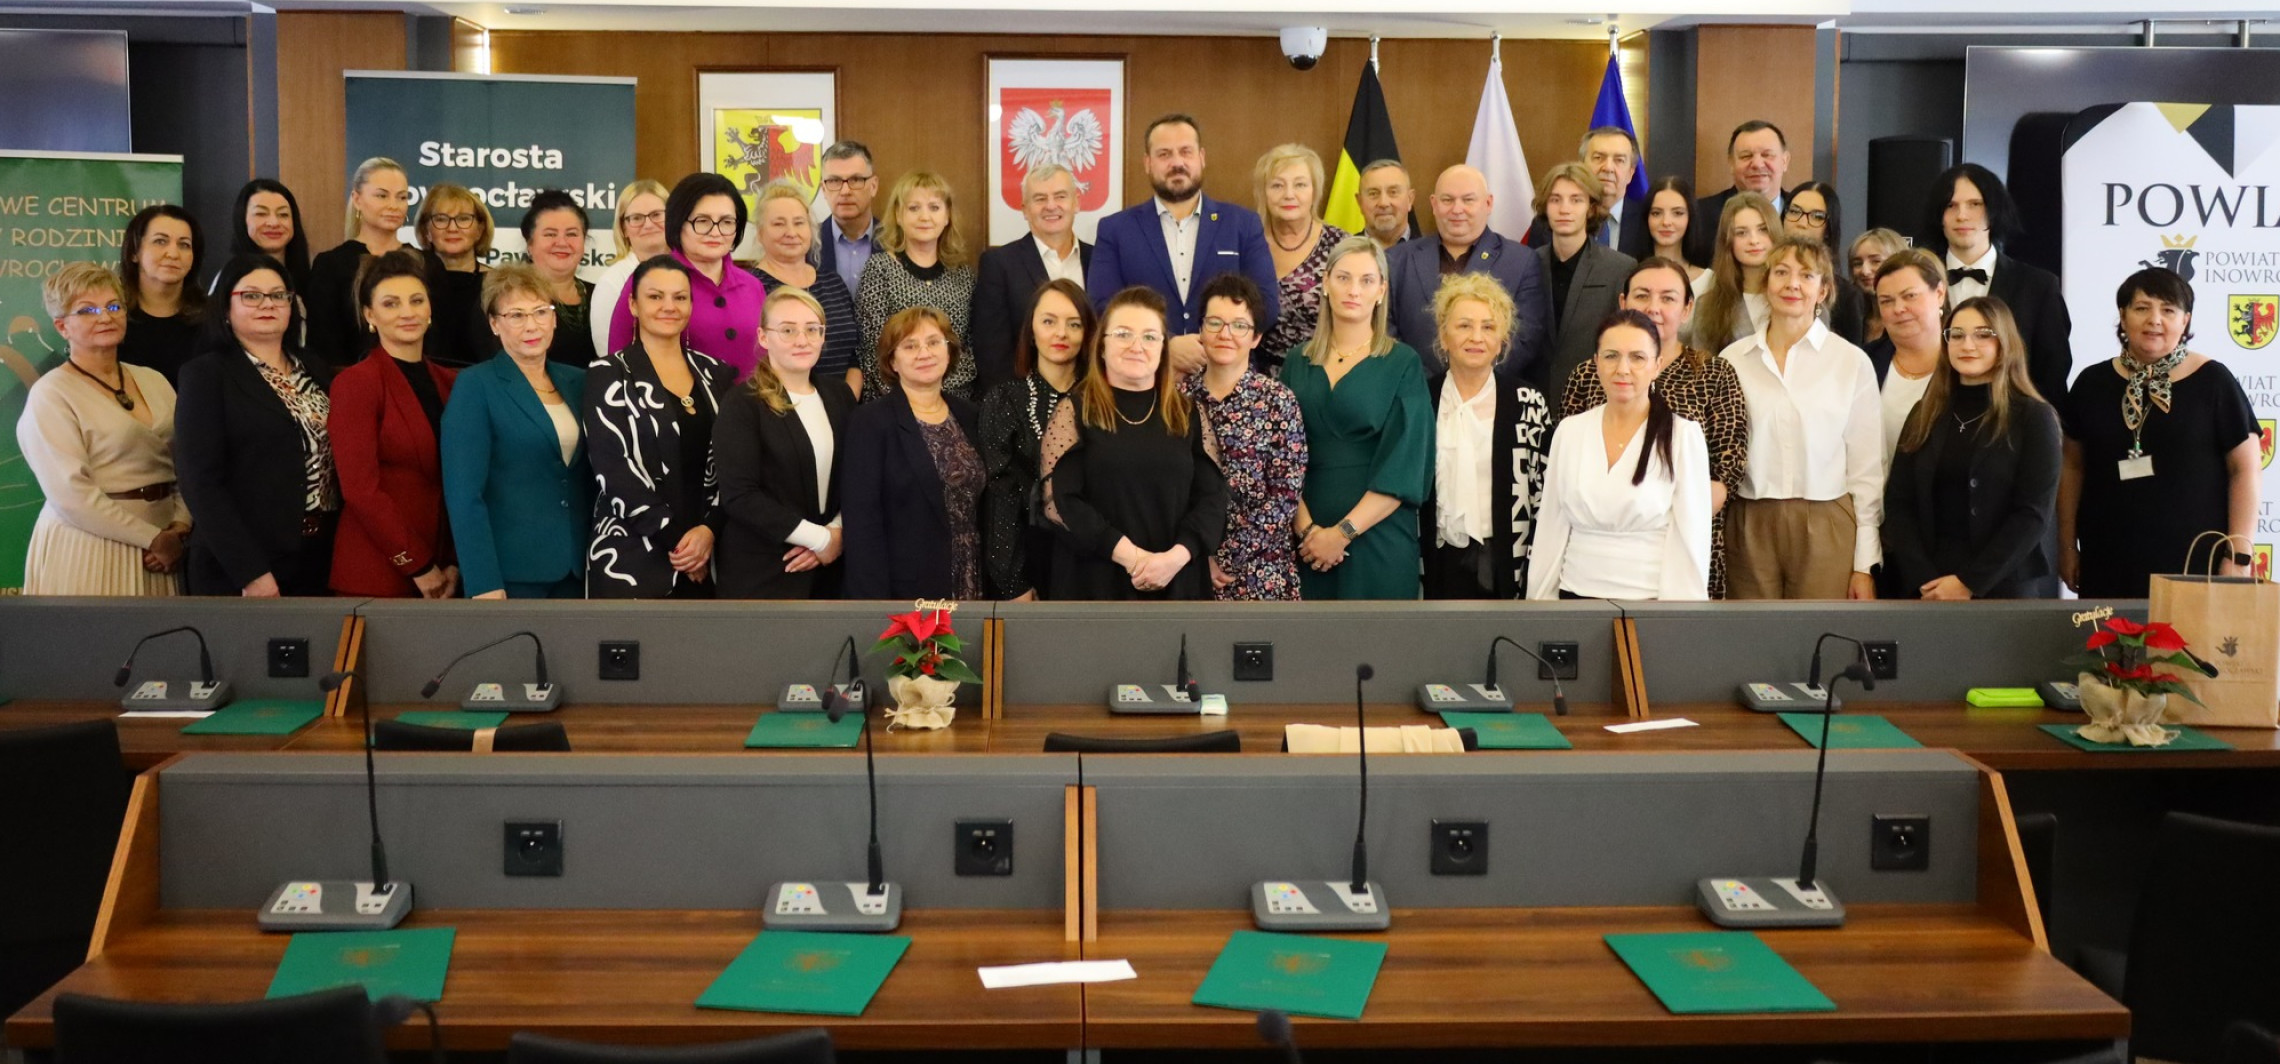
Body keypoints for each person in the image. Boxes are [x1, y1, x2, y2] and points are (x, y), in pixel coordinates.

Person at [2059, 266, 2259, 597]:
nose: (2154, 320)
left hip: (2195, 562)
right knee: (2110, 648)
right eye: (2141, 308)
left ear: (2185, 321)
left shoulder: (2214, 381)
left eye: (2168, 310)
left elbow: (2245, 469)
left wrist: (2238, 555)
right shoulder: (2091, 383)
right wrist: (2065, 546)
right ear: (2122, 318)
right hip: (2108, 559)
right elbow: (2072, 466)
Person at [1564, 258, 1750, 598]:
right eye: (1642, 295)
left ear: (1687, 308)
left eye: (1668, 298)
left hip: (1681, 547)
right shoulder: (1587, 375)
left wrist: (1644, 512)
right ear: (1623, 303)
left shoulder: (1714, 374)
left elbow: (1724, 474)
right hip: (1588, 562)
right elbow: (1571, 467)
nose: (1653, 307)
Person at [1720, 236, 1883, 600]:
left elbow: (1867, 469)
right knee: (1752, 640)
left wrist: (1864, 563)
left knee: (1819, 638)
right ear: (1765, 284)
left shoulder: (1850, 361)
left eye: (1807, 275)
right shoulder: (1732, 359)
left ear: (1823, 290)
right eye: (1781, 272)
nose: (1792, 284)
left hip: (1826, 520)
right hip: (1750, 521)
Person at [1040, 286, 1229, 600]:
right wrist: (1133, 559)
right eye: (1123, 334)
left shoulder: (1187, 414)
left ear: (1162, 350)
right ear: (1101, 346)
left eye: (1150, 337)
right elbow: (1061, 502)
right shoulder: (1075, 411)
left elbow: (1213, 499)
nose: (1136, 346)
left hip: (1178, 582)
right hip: (1096, 585)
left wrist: (1173, 559)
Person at [16, 262, 189, 595]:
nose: (105, 316)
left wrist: (179, 526)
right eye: (87, 310)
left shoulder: (154, 380)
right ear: (61, 327)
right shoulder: (51, 394)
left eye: (113, 306)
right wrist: (151, 538)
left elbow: (189, 463)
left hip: (164, 548)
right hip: (89, 546)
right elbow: (71, 495)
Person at [175, 253, 338, 596]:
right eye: (251, 295)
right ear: (225, 308)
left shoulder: (314, 367)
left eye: (279, 295)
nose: (268, 304)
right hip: (244, 565)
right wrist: (250, 572)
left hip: (319, 553)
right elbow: (200, 481)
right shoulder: (207, 374)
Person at [1284, 235, 1433, 600]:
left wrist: (1342, 533)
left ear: (1381, 290)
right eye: (1344, 277)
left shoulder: (1403, 363)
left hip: (1377, 540)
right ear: (1325, 283)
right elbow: (1279, 458)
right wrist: (1309, 533)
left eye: (1367, 280)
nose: (1354, 290)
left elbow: (1408, 464)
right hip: (1305, 542)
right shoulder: (1295, 361)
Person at [1882, 297, 2061, 600]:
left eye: (1983, 335)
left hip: (2003, 585)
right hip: (1928, 587)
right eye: (1957, 335)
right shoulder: (1925, 412)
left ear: (2004, 343)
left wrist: (1969, 583)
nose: (1967, 345)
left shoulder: (2033, 416)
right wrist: (1924, 579)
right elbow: (1899, 503)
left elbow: (2033, 513)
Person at [1530, 310, 1712, 600]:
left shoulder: (1683, 436)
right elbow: (1551, 526)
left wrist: (1679, 620)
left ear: (1657, 366)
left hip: (1650, 603)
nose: (1623, 369)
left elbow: (1692, 539)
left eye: (1637, 358)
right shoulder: (1569, 431)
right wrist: (1540, 605)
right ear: (1596, 362)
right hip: (1573, 596)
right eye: (1611, 356)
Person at [586, 254, 735, 599]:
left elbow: (734, 466)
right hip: (632, 559)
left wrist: (708, 533)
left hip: (709, 556)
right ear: (633, 305)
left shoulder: (717, 375)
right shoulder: (607, 374)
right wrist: (681, 544)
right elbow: (614, 470)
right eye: (655, 296)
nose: (669, 306)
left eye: (680, 297)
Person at [441, 263, 592, 599]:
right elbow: (464, 495)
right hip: (510, 574)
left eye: (541, 311)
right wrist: (484, 582)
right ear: (495, 324)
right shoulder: (475, 385)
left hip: (578, 568)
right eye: (516, 315)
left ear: (554, 318)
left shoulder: (579, 382)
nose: (531, 325)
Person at [1088, 113, 1279, 376]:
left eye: (1185, 152)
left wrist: (1211, 344)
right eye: (1164, 154)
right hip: (1145, 379)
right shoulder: (1115, 229)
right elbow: (1103, 307)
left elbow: (1266, 305)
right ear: (1147, 163)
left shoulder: (1242, 224)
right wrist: (1167, 345)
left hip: (1228, 381)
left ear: (1201, 157)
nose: (1177, 162)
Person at [326, 249, 458, 599]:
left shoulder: (453, 383)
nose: (407, 312)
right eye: (391, 303)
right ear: (370, 315)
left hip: (446, 572)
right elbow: (360, 490)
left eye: (417, 300)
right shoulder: (357, 383)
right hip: (377, 572)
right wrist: (418, 564)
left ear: (430, 309)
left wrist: (453, 563)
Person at [716, 286, 857, 599]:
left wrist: (836, 533)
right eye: (788, 330)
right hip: (765, 570)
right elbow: (740, 495)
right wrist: (819, 540)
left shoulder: (840, 396)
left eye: (812, 329)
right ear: (764, 337)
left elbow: (857, 476)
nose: (802, 340)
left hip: (831, 572)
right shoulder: (742, 402)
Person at [840, 306, 986, 599]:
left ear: (949, 351)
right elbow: (862, 524)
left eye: (933, 342)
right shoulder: (870, 422)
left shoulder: (972, 415)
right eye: (910, 346)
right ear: (892, 360)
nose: (924, 353)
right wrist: (874, 607)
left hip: (975, 575)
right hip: (907, 589)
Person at [1421, 272, 1548, 599]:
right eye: (1464, 325)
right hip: (1435, 561)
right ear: (1443, 335)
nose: (1476, 337)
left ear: (1502, 340)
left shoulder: (1528, 402)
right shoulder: (1421, 398)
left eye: (1488, 327)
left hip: (1507, 559)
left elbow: (1543, 497)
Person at [1183, 273, 1305, 601]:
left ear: (1255, 337)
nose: (1226, 334)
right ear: (1200, 330)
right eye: (1215, 323)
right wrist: (1195, 554)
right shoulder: (1176, 399)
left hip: (1261, 571)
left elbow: (1285, 496)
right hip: (1187, 566)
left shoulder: (1278, 400)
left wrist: (1227, 558)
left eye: (1239, 325)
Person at [979, 278, 1094, 601]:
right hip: (1030, 561)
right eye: (1049, 321)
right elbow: (1000, 497)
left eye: (1074, 324)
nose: (1061, 333)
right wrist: (1012, 581)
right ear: (1031, 330)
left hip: (1098, 561)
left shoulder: (1103, 401)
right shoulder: (1005, 400)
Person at [1920, 163, 2074, 403]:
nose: (1962, 215)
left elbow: (2053, 374)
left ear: (1994, 210)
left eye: (1975, 204)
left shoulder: (2038, 286)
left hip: (2015, 427)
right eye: (1951, 206)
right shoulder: (1918, 281)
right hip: (1934, 422)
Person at [1386, 164, 1551, 377]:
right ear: (1434, 204)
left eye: (1468, 200)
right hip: (1414, 393)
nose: (1457, 209)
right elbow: (1385, 330)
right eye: (1447, 200)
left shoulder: (1522, 261)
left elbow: (1525, 337)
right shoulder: (1397, 260)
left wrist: (1472, 377)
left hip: (1491, 395)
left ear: (1488, 203)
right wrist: (1422, 382)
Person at [607, 173, 764, 381]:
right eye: (702, 221)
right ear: (678, 222)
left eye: (726, 222)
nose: (715, 232)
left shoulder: (752, 286)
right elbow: (618, 360)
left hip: (749, 409)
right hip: (673, 409)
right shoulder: (648, 279)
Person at [968, 165, 1092, 393]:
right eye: (1040, 198)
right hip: (1024, 407)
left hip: (1093, 403)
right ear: (1025, 209)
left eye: (1060, 196)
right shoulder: (998, 264)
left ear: (1077, 202)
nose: (1051, 206)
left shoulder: (1100, 260)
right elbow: (992, 353)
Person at [855, 171, 977, 400]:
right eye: (914, 208)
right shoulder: (879, 269)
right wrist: (913, 398)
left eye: (934, 207)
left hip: (955, 402)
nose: (924, 217)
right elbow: (873, 352)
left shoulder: (964, 275)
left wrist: (937, 397)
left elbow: (967, 351)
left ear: (947, 215)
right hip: (893, 402)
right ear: (898, 216)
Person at [1533, 162, 1636, 401]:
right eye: (1556, 200)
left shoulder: (1619, 268)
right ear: (1545, 207)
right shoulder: (1528, 263)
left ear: (1591, 208)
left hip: (1593, 397)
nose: (1564, 209)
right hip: (1534, 397)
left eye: (1576, 200)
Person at [747, 181, 861, 386]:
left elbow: (856, 354)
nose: (791, 232)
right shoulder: (752, 287)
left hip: (844, 408)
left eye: (799, 222)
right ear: (760, 233)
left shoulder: (833, 282)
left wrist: (844, 403)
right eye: (779, 224)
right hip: (781, 407)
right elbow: (754, 360)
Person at [305, 157, 410, 367]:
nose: (393, 206)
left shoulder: (426, 263)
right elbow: (323, 346)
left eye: (402, 197)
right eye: (382, 196)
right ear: (357, 199)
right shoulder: (331, 265)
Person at [1256, 143, 1349, 365]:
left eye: (1300, 185)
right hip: (1258, 376)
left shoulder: (1340, 245)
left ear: (1315, 192)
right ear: (1263, 192)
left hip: (1322, 370)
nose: (1289, 195)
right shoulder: (1248, 241)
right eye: (1277, 185)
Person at [1868, 249, 1950, 459]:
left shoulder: (1965, 363)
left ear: (1939, 294)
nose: (1899, 308)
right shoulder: (1863, 361)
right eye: (1886, 301)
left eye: (1910, 296)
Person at [1524, 127, 1650, 259]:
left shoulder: (1647, 221)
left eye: (1619, 160)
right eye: (1598, 158)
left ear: (1631, 173)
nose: (1608, 168)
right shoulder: (1548, 223)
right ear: (1582, 166)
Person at [116, 205, 206, 386]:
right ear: (134, 252)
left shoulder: (213, 319)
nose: (173, 254)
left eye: (184, 245)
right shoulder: (112, 316)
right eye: (160, 241)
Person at [411, 182, 496, 368]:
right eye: (441, 219)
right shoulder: (410, 282)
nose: (452, 228)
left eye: (464, 219)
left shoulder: (498, 284)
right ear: (427, 230)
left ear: (479, 230)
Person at [1688, 120, 1790, 266]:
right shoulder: (1700, 215)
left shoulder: (1803, 215)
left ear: (1785, 161)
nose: (1757, 164)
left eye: (1767, 155)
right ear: (1731, 163)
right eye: (1746, 156)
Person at [588, 178, 670, 357]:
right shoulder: (611, 283)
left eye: (656, 215)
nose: (648, 224)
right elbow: (608, 355)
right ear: (624, 229)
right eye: (637, 218)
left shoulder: (691, 271)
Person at [226, 178, 311, 347]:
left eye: (283, 214)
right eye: (261, 213)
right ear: (243, 220)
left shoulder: (310, 279)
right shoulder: (229, 279)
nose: (274, 223)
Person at [1689, 192, 1778, 350]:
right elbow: (1703, 370)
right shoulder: (1707, 308)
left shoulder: (1799, 298)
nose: (1754, 240)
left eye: (1763, 230)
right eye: (1741, 233)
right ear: (1728, 242)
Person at [1784, 180, 1867, 346]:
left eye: (1817, 216)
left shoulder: (1847, 296)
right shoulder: (1763, 278)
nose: (1801, 222)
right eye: (1794, 211)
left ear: (1828, 230)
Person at [813, 140, 883, 296]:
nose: (845, 191)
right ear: (824, 190)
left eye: (856, 180)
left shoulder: (897, 242)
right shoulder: (807, 244)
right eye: (834, 181)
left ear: (873, 186)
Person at [1849, 227, 1909, 346]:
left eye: (1875, 261)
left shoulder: (1909, 317)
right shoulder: (1849, 317)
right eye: (1857, 263)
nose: (1865, 271)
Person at [1644, 176, 1704, 283]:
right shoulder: (1627, 274)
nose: (1666, 222)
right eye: (1656, 213)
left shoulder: (1708, 281)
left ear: (1690, 217)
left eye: (1677, 213)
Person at [1354, 159, 1416, 250]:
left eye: (1393, 192)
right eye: (1373, 194)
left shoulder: (1432, 254)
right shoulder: (1342, 254)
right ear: (1360, 202)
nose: (1383, 203)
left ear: (1410, 199)